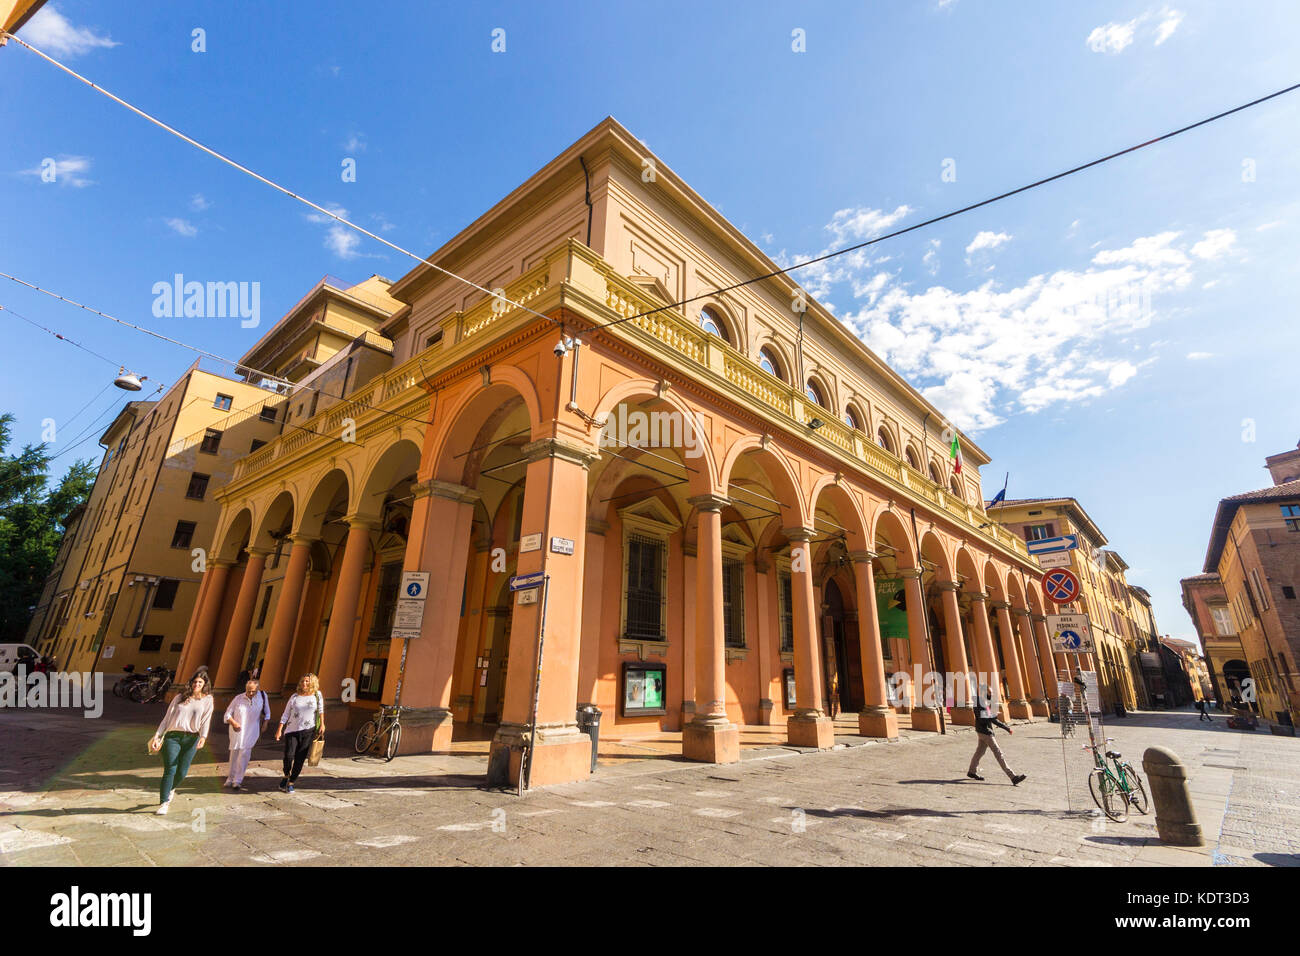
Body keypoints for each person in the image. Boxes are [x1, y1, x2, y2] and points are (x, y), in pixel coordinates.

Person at [149, 671, 214, 814]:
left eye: (200, 682)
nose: (197, 684)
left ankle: (171, 789)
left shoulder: (208, 700)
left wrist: (203, 737)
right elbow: (167, 718)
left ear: (204, 685)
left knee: (182, 772)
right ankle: (164, 803)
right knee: (170, 768)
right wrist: (157, 736)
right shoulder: (180, 697)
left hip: (192, 738)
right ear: (191, 683)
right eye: (195, 682)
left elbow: (206, 720)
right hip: (173, 737)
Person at [275, 673, 324, 793]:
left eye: (307, 681)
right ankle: (286, 775)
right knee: (288, 756)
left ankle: (291, 782)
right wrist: (279, 729)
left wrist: (322, 724)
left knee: (300, 758)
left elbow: (321, 711)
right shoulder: (294, 697)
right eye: (303, 681)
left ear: (312, 682)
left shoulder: (317, 695)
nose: (304, 683)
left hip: (308, 730)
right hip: (292, 730)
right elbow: (286, 714)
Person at [223, 677, 270, 790]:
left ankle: (238, 780)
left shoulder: (262, 697)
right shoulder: (238, 698)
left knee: (244, 755)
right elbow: (227, 715)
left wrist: (265, 724)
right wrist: (233, 723)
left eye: (253, 691)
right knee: (234, 755)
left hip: (252, 730)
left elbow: (267, 713)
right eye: (248, 690)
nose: (250, 693)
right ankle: (230, 778)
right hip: (237, 731)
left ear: (258, 689)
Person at [967, 696, 1026, 785]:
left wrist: (994, 716)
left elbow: (990, 718)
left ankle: (971, 772)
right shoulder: (981, 706)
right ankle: (1013, 777)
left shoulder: (980, 705)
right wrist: (1004, 726)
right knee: (998, 754)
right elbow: (989, 719)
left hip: (981, 732)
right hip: (986, 733)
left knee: (979, 753)